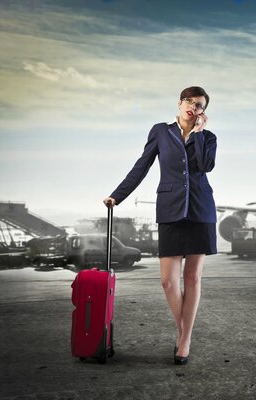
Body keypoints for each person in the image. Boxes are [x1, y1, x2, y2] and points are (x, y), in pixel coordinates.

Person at [103, 86, 217, 366]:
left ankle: (185, 340)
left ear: (204, 111)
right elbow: (141, 166)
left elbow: (205, 166)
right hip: (170, 210)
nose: (193, 106)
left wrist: (199, 134)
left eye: (199, 104)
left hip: (200, 210)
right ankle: (183, 331)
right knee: (168, 281)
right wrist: (117, 195)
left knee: (192, 279)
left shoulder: (209, 137)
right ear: (179, 103)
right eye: (189, 101)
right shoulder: (160, 131)